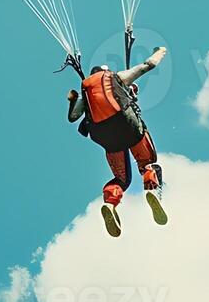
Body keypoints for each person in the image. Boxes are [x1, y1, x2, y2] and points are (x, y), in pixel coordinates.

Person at [67, 43, 169, 237]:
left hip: (106, 139)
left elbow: (73, 118)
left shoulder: (86, 93)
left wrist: (73, 100)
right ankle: (151, 190)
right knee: (148, 163)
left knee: (122, 180)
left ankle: (110, 204)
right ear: (107, 72)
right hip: (128, 127)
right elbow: (148, 65)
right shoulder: (116, 77)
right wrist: (160, 51)